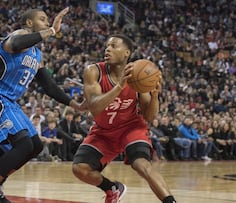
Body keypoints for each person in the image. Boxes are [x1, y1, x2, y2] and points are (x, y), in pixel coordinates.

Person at [0, 7, 86, 203]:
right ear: (29, 23)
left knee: (35, 146)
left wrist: (76, 105)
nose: (47, 22)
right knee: (23, 144)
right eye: (42, 19)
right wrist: (52, 31)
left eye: (48, 20)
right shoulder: (19, 36)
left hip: (8, 101)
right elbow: (17, 43)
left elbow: (49, 86)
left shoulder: (37, 54)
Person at [72, 34, 176, 203]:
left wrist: (155, 95)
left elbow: (149, 116)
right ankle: (112, 189)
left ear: (127, 53)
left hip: (131, 128)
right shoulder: (93, 71)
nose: (108, 49)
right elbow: (94, 107)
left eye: (114, 46)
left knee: (141, 165)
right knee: (80, 169)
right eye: (107, 46)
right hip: (104, 132)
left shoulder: (137, 74)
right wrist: (120, 86)